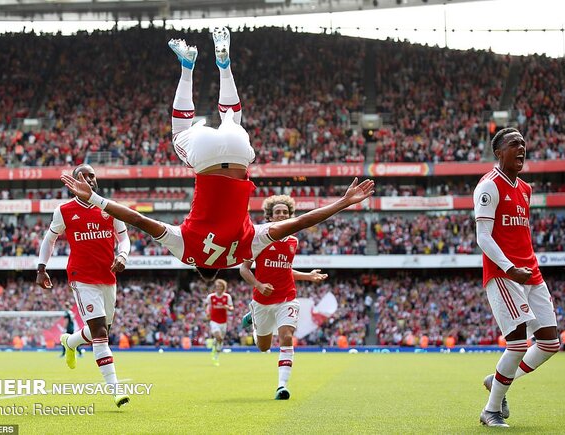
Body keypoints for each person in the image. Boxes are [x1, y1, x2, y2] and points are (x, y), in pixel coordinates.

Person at [60, 28, 375, 282]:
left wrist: (343, 202)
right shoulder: (186, 252)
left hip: (238, 156)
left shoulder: (245, 252)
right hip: (206, 160)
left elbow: (299, 222)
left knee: (233, 121)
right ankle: (188, 67)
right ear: (197, 267)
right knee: (180, 134)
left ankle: (225, 66)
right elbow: (140, 220)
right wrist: (96, 199)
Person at [474, 128, 559, 427]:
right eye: (514, 144)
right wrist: (509, 268)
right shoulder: (489, 186)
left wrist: (527, 268)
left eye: (523, 144)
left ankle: (497, 379)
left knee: (550, 343)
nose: (521, 148)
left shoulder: (525, 188)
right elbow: (483, 237)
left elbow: (520, 233)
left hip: (531, 273)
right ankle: (491, 410)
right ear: (499, 152)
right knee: (517, 345)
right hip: (503, 274)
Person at [37, 164, 131, 408]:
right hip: (81, 277)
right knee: (100, 334)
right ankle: (116, 391)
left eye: (93, 176)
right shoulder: (64, 210)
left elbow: (124, 238)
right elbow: (50, 239)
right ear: (74, 181)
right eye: (85, 176)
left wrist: (123, 256)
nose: (90, 179)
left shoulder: (109, 208)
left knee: (100, 331)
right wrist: (41, 268)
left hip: (108, 277)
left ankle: (70, 342)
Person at [239, 195, 328, 400]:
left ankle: (282, 386)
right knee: (263, 347)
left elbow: (285, 269)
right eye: (278, 212)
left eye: (285, 213)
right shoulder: (258, 238)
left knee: (286, 336)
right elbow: (243, 270)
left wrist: (307, 276)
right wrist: (259, 285)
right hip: (261, 300)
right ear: (270, 217)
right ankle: (252, 316)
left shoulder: (293, 241)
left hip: (287, 297)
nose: (282, 215)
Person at [204, 279, 233, 366]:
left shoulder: (227, 297)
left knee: (220, 340)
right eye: (217, 286)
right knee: (218, 336)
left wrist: (227, 307)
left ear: (223, 288)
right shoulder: (211, 297)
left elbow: (232, 308)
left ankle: (216, 351)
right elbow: (206, 305)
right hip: (214, 321)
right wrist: (207, 313)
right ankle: (216, 347)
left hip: (223, 322)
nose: (218, 288)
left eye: (220, 286)